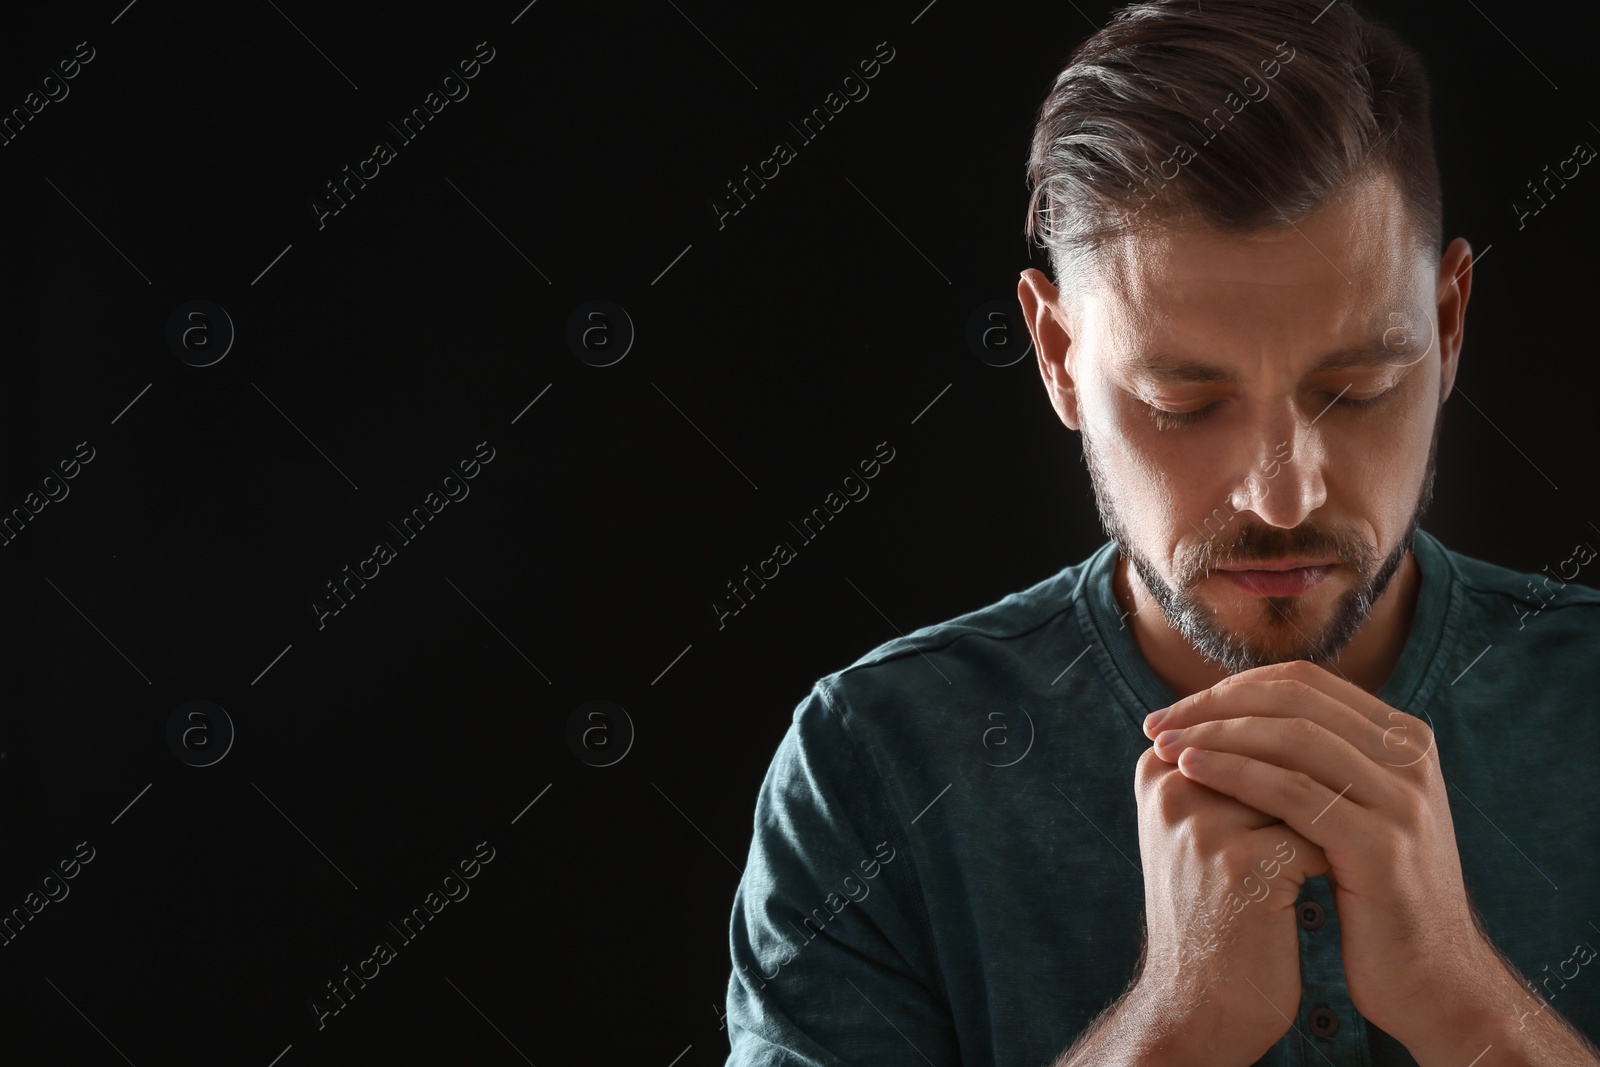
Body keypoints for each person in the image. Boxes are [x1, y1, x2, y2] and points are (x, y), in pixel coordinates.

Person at [721, 1, 1600, 1064]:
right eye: (1184, 402)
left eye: (1358, 387)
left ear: (1448, 324)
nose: (1280, 498)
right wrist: (1171, 1025)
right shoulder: (875, 766)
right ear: (1055, 355)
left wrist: (1468, 1004)